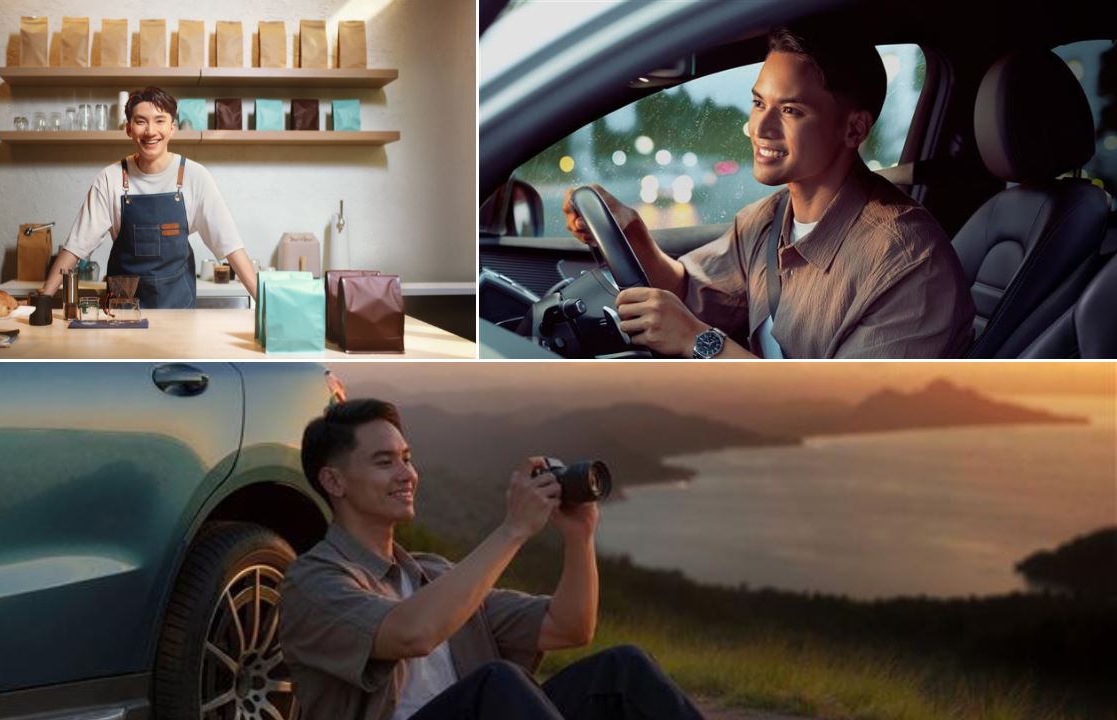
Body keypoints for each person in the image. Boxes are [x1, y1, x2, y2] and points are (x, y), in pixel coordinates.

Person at [563, 27, 974, 359]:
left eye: (791, 110)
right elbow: (692, 293)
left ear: (854, 129)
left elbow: (845, 428)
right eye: (759, 103)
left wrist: (700, 342)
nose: (761, 127)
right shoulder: (769, 218)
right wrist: (633, 232)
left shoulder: (908, 263)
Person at [279, 399, 704, 720]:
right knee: (498, 683)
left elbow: (570, 627)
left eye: (407, 459)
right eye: (384, 462)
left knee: (622, 669)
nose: (407, 474)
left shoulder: (436, 575)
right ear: (334, 480)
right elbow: (412, 634)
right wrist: (512, 529)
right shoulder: (312, 582)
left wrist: (580, 538)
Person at [38, 86, 258, 308]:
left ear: (172, 128)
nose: (151, 131)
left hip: (178, 311)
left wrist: (265, 303)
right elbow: (77, 246)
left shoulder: (194, 176)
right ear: (128, 129)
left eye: (160, 121)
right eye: (141, 121)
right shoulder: (110, 178)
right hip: (122, 312)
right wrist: (45, 296)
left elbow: (229, 244)